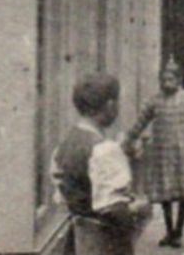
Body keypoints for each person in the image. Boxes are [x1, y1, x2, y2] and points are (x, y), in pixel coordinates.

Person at [52, 72, 150, 255]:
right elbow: (115, 209)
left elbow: (64, 197)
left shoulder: (64, 146)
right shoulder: (105, 149)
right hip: (105, 243)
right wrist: (138, 209)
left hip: (78, 240)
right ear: (110, 105)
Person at [125, 62, 184, 248]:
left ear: (179, 80)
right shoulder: (155, 101)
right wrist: (128, 140)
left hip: (183, 150)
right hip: (162, 152)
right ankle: (169, 231)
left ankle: (179, 232)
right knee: (165, 193)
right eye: (164, 79)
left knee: (183, 192)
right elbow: (140, 121)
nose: (167, 83)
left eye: (171, 79)